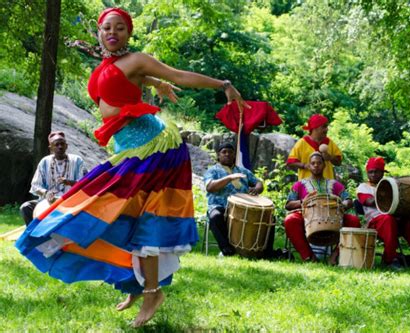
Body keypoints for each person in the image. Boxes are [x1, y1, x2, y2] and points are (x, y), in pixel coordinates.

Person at [16, 8, 248, 328]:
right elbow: (126, 83)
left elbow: (177, 75)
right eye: (106, 28)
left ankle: (152, 291)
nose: (112, 32)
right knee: (119, 216)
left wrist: (223, 84)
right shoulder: (109, 64)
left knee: (142, 220)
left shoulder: (137, 58)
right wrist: (152, 82)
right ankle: (134, 284)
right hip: (130, 151)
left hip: (155, 148)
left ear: (129, 32)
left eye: (120, 28)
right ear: (99, 33)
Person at [357, 157, 410, 269]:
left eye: (377, 171)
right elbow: (369, 201)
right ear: (367, 173)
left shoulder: (392, 184)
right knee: (388, 219)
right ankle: (389, 260)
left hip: (399, 220)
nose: (373, 174)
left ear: (383, 172)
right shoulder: (363, 187)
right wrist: (389, 196)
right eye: (371, 172)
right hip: (377, 222)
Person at [284, 152, 360, 262]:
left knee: (354, 221)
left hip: (334, 216)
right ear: (309, 166)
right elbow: (288, 204)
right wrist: (302, 201)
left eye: (319, 163)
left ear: (324, 165)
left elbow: (348, 200)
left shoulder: (335, 184)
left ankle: (335, 256)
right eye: (313, 163)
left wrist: (342, 204)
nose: (316, 165)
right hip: (307, 217)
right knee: (290, 220)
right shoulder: (299, 184)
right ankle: (309, 257)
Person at [204, 142, 274, 257]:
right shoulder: (212, 171)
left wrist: (257, 188)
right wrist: (229, 178)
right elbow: (210, 187)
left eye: (230, 152)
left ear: (234, 155)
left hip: (243, 208)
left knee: (269, 216)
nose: (227, 154)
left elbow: (258, 183)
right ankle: (227, 250)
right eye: (224, 152)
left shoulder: (243, 171)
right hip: (220, 206)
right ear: (218, 155)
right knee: (215, 216)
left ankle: (266, 252)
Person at [19, 131, 87, 225]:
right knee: (26, 207)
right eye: (56, 144)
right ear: (50, 148)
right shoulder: (45, 162)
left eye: (62, 144)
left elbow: (86, 182)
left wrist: (69, 182)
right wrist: (46, 193)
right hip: (47, 202)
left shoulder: (77, 160)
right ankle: (33, 236)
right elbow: (35, 185)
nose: (60, 147)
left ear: (66, 146)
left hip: (70, 201)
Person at [287, 114, 342, 180]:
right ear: (315, 128)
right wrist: (305, 165)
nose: (327, 129)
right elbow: (290, 163)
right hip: (306, 187)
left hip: (327, 186)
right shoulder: (302, 143)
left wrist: (330, 157)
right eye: (324, 127)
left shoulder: (330, 142)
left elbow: (339, 162)